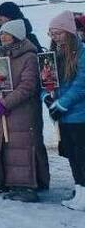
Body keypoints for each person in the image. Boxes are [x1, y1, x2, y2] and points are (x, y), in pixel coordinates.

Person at [0, 19, 42, 202]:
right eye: (1, 33)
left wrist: (6, 102)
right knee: (8, 148)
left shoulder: (29, 57)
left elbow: (28, 86)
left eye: (7, 33)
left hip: (22, 112)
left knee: (22, 149)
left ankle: (27, 186)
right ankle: (11, 182)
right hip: (4, 111)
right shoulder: (1, 56)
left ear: (17, 35)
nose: (2, 37)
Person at [43, 11, 85, 210]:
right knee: (73, 156)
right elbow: (45, 83)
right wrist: (48, 99)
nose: (55, 37)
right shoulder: (53, 56)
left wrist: (61, 104)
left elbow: (81, 85)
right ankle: (80, 191)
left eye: (58, 33)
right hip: (63, 116)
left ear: (69, 32)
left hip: (79, 115)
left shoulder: (82, 53)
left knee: (82, 154)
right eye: (52, 33)